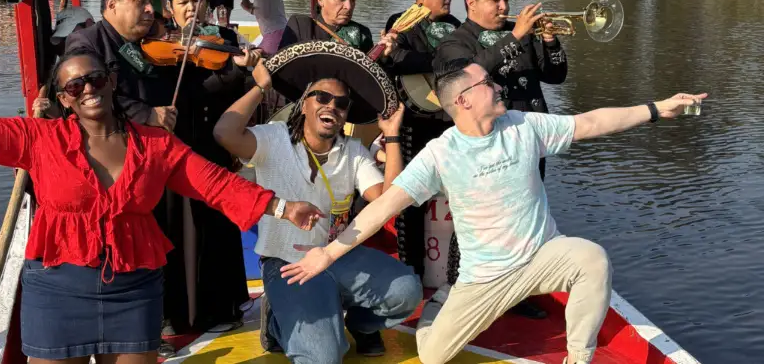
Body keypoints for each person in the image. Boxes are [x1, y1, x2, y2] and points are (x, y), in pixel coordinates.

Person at [0, 49, 323, 364]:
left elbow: (215, 184)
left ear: (112, 82)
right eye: (73, 85)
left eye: (95, 79)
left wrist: (283, 209)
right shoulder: (39, 140)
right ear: (63, 99)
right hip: (57, 289)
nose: (87, 89)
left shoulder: (156, 145)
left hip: (133, 289)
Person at [281, 61, 707, 364]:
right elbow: (382, 209)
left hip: (543, 256)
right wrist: (327, 254)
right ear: (464, 100)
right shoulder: (441, 154)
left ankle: (577, 358)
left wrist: (656, 109)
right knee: (431, 356)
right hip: (484, 279)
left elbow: (591, 122)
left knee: (592, 258)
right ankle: (439, 308)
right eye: (489, 83)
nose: (499, 86)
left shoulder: (524, 125)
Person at [214, 40, 423, 361]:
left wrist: (392, 135)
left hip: (338, 257)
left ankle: (363, 326)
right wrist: (259, 85)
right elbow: (225, 133)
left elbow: (389, 201)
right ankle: (278, 323)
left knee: (406, 292)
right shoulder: (275, 138)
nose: (332, 106)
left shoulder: (352, 150)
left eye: (341, 103)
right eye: (322, 97)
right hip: (288, 264)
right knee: (324, 357)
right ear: (304, 103)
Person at [434, 0, 568, 316]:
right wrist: (517, 37)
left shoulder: (517, 33)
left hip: (527, 138)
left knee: (526, 216)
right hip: (482, 144)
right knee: (478, 220)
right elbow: (464, 78)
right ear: (471, 3)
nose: (503, 6)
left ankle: (518, 293)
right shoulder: (455, 41)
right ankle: (463, 290)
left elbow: (556, 75)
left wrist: (549, 41)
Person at [154, 0, 264, 335]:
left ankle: (223, 307)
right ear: (170, 9)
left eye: (195, 0)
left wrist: (245, 70)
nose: (190, 8)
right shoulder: (160, 48)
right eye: (182, 2)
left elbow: (238, 94)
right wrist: (233, 73)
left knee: (218, 229)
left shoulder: (226, 39)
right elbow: (193, 93)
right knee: (178, 231)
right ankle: (177, 313)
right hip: (178, 151)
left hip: (214, 149)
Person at [380, 0, 461, 279]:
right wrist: (441, 60)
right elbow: (398, 60)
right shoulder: (399, 26)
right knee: (411, 198)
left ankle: (457, 272)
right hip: (414, 122)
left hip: (451, 125)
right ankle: (410, 268)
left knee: (460, 199)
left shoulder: (456, 26)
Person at [64, 0, 178, 131]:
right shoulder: (87, 42)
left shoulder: (147, 38)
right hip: (120, 137)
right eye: (141, 2)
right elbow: (87, 94)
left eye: (151, 2)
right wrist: (145, 114)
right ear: (112, 5)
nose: (151, 9)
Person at [278, 0, 392, 55]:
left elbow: (370, 76)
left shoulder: (362, 34)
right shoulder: (300, 27)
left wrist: (383, 56)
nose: (348, 6)